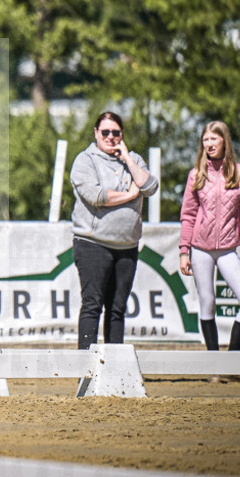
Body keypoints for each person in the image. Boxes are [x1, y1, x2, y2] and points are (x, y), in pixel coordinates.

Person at [70, 111, 159, 350]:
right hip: (93, 244)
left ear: (122, 134)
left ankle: (114, 366)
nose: (110, 137)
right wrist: (130, 195)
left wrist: (127, 158)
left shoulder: (134, 160)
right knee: (92, 305)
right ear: (96, 133)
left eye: (116, 132)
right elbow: (96, 196)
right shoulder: (85, 160)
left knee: (117, 309)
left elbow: (150, 187)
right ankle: (85, 366)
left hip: (127, 246)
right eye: (106, 132)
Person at [179, 121, 240, 381]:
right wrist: (184, 251)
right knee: (208, 303)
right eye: (205, 140)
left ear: (225, 141)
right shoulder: (196, 175)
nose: (209, 144)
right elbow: (188, 215)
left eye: (214, 139)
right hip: (200, 249)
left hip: (227, 250)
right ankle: (214, 367)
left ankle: (231, 364)